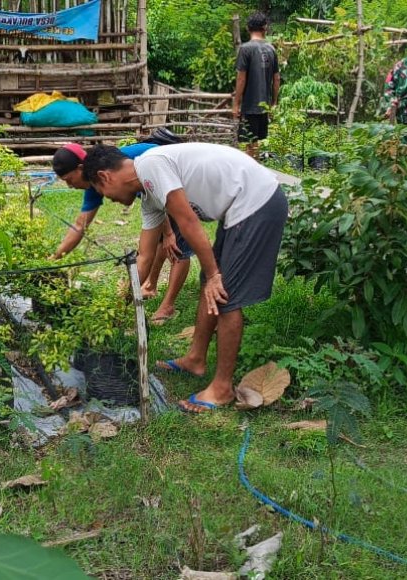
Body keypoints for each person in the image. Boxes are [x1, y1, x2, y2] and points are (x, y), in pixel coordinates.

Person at [82, 143, 288, 413]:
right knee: (209, 284)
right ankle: (195, 359)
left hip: (257, 202)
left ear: (105, 177)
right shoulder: (148, 195)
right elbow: (144, 258)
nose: (108, 199)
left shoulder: (151, 166)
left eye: (102, 193)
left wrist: (215, 273)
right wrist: (118, 304)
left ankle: (222, 388)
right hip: (239, 207)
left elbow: (189, 222)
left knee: (225, 294)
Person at [51, 142, 192, 324]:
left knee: (179, 245)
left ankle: (167, 306)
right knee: (158, 242)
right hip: (154, 195)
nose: (70, 186)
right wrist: (54, 259)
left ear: (80, 169)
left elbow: (158, 197)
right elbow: (80, 225)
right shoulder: (94, 182)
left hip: (170, 180)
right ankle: (150, 285)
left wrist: (170, 232)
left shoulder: (116, 169)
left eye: (69, 180)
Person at [233, 12, 280, 159]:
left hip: (250, 105)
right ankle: (256, 172)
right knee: (254, 143)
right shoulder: (272, 49)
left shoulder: (245, 49)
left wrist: (236, 103)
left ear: (248, 28)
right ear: (265, 28)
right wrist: (274, 102)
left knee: (250, 144)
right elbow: (276, 79)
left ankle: (252, 176)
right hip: (264, 105)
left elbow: (241, 79)